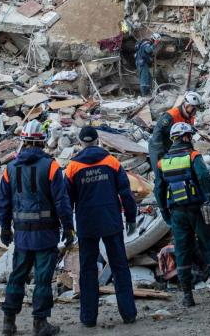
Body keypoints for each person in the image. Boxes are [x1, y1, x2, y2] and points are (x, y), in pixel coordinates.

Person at [0, 119, 75, 336]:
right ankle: (39, 324)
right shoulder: (50, 166)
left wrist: (5, 228)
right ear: (43, 142)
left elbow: (3, 202)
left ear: (23, 141)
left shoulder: (10, 168)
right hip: (45, 235)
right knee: (42, 279)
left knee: (17, 276)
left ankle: (8, 322)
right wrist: (68, 228)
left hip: (22, 235)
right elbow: (61, 201)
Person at [64, 126, 138, 327]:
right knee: (119, 266)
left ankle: (88, 318)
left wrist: (68, 227)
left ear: (81, 143)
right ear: (98, 141)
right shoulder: (111, 162)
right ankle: (129, 314)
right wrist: (131, 218)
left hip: (87, 223)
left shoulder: (72, 167)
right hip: (111, 220)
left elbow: (66, 201)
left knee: (87, 270)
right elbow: (126, 193)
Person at [156, 122, 210, 306]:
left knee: (182, 252)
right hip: (198, 211)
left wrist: (164, 211)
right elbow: (205, 178)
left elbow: (159, 189)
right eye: (190, 136)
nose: (192, 140)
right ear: (186, 137)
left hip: (177, 213)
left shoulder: (163, 162)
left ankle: (187, 297)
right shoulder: (193, 156)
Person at [148, 91, 202, 174]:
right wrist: (162, 156)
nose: (195, 112)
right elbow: (157, 135)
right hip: (158, 146)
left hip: (172, 144)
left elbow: (187, 136)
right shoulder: (170, 116)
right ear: (188, 106)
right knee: (161, 175)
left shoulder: (190, 117)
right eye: (194, 109)